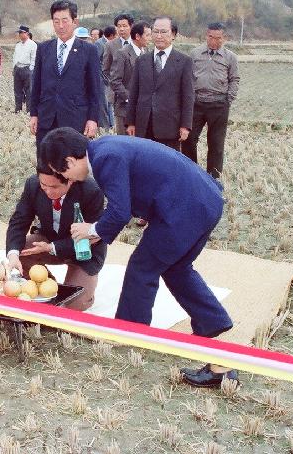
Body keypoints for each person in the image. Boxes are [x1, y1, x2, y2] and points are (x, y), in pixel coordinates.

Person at [39, 127, 236, 389]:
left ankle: (130, 334)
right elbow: (127, 202)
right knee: (176, 268)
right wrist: (99, 232)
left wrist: (92, 229)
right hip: (202, 202)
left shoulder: (105, 159)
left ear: (70, 161)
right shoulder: (105, 148)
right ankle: (213, 324)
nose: (68, 179)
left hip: (184, 209)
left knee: (142, 267)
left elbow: (120, 211)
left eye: (63, 172)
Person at [5, 165, 107, 311]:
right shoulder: (33, 184)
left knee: (74, 304)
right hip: (49, 237)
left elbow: (93, 236)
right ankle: (48, 286)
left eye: (54, 187)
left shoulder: (91, 190)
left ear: (70, 181)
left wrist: (52, 247)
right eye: (43, 185)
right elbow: (19, 221)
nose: (48, 191)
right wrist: (13, 254)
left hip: (85, 251)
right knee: (22, 250)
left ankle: (83, 289)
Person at [29, 0, 100, 148]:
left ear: (75, 21)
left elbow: (95, 90)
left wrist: (92, 119)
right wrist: (34, 114)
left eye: (65, 21)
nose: (60, 26)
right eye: (56, 21)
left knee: (73, 166)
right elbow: (36, 85)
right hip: (47, 118)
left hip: (75, 119)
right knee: (46, 165)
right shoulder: (43, 49)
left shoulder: (89, 51)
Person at [125, 17, 194, 152]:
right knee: (144, 162)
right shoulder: (142, 60)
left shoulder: (184, 61)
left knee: (167, 165)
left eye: (163, 32)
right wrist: (130, 122)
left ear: (173, 34)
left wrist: (185, 125)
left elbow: (188, 96)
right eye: (155, 32)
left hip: (170, 125)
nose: (159, 36)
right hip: (144, 124)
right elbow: (133, 93)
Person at [183, 22, 240, 179]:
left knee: (216, 144)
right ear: (206, 35)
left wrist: (229, 98)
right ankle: (191, 175)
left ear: (224, 38)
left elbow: (234, 79)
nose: (214, 41)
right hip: (196, 103)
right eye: (211, 37)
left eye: (218, 38)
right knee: (188, 139)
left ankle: (213, 178)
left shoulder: (231, 57)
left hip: (219, 105)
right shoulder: (194, 54)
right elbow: (186, 77)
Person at [108, 21, 151, 135]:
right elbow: (115, 80)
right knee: (125, 145)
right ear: (137, 36)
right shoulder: (122, 54)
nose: (150, 38)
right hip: (125, 108)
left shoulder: (146, 52)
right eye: (147, 35)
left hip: (142, 109)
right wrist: (129, 98)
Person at [12, 25, 36, 113]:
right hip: (18, 68)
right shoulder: (18, 45)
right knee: (17, 90)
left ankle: (29, 110)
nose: (20, 35)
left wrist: (31, 69)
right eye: (19, 33)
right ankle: (18, 109)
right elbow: (14, 57)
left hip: (27, 68)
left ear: (27, 33)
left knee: (29, 91)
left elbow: (34, 58)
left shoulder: (32, 44)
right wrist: (14, 68)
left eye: (22, 33)